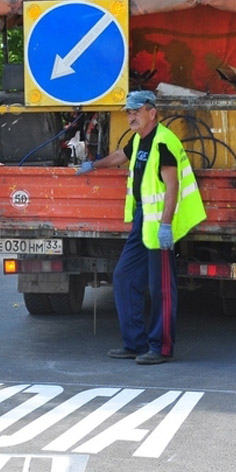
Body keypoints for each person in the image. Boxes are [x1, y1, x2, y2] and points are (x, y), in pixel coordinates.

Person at [76, 90, 205, 364]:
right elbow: (119, 156)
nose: (131, 116)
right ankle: (135, 343)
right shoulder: (139, 140)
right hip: (143, 222)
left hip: (160, 225)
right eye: (129, 112)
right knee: (124, 277)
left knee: (161, 289)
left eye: (137, 111)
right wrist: (93, 165)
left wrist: (166, 225)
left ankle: (161, 348)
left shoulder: (163, 142)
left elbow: (172, 186)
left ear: (152, 112)